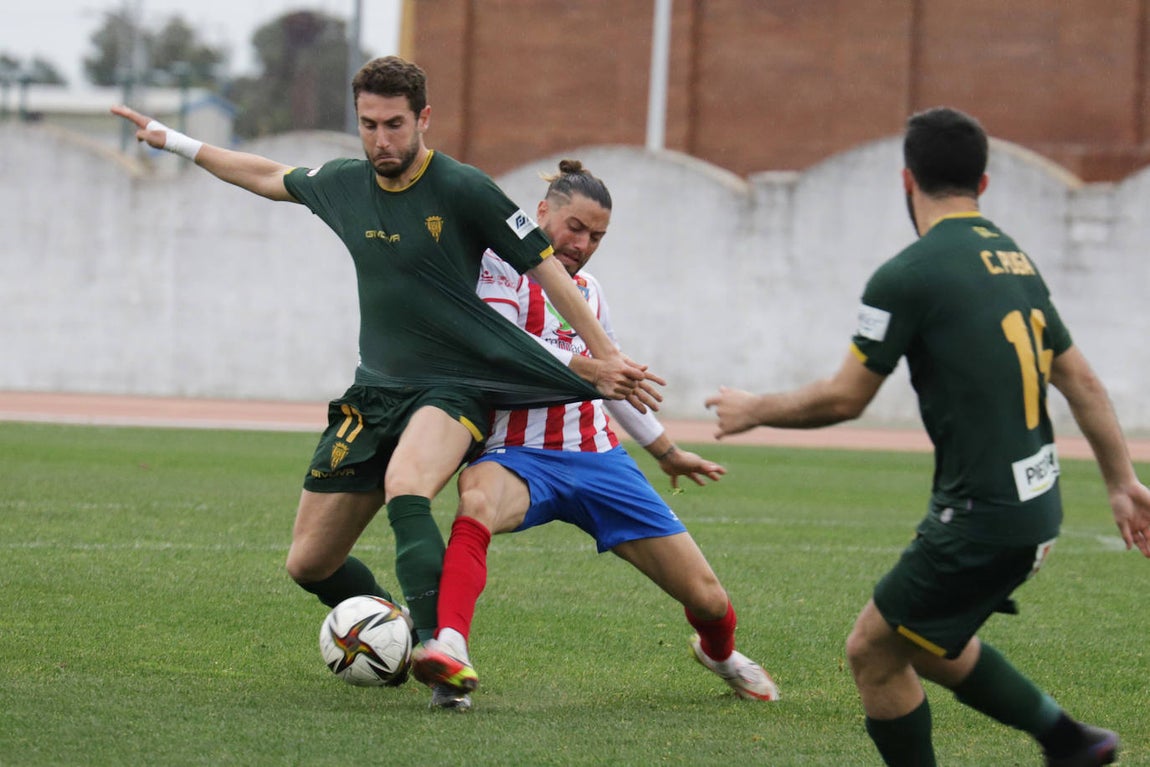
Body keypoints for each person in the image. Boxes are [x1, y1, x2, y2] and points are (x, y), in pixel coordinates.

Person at [110, 56, 663, 651]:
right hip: (375, 393)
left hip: (454, 390)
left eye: (394, 124)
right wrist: (176, 142)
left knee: (407, 485)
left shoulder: (463, 187)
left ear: (423, 118)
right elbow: (268, 175)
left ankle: (440, 650)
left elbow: (548, 270)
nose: (381, 139)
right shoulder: (346, 184)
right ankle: (393, 627)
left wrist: (606, 356)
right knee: (309, 563)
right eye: (369, 124)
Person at [706, 107, 1150, 766]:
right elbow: (1080, 378)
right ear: (985, 183)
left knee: (872, 653)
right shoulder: (1012, 259)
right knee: (921, 640)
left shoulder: (907, 274)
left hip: (981, 518)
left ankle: (1069, 739)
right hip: (1038, 505)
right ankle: (1070, 740)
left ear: (906, 180)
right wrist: (1122, 483)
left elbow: (844, 397)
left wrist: (755, 408)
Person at [408, 159, 780, 710]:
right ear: (541, 213)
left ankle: (720, 655)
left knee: (707, 598)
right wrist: (591, 370)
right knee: (478, 500)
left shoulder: (590, 291)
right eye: (575, 228)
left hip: (599, 460)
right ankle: (452, 652)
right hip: (518, 454)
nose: (582, 244)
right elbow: (507, 348)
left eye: (597, 236)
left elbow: (618, 378)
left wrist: (667, 452)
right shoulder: (498, 269)